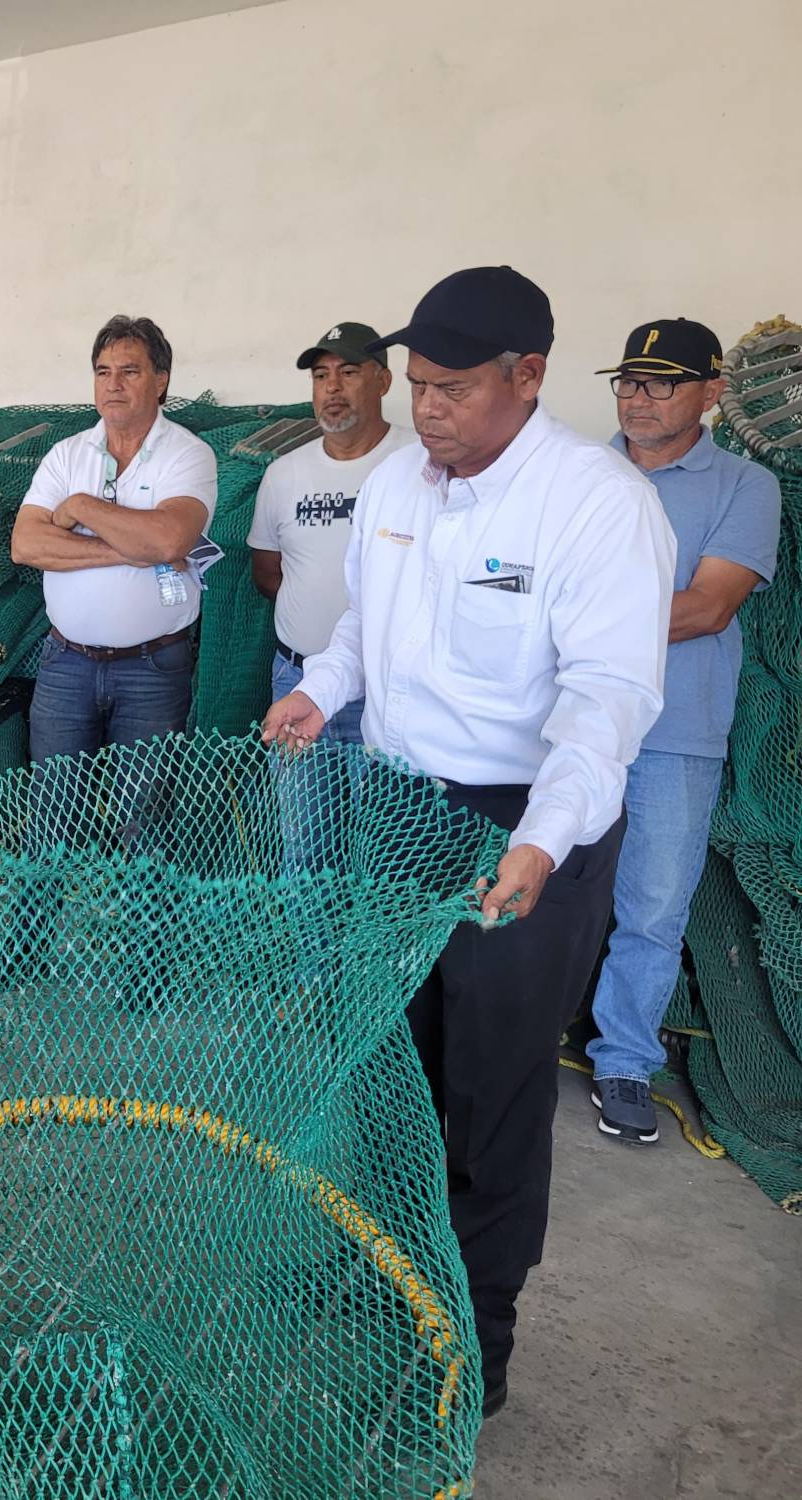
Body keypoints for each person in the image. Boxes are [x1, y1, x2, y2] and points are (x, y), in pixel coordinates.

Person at [261, 266, 674, 1418]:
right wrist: (322, 689)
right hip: (397, 812)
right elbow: (360, 625)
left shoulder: (595, 506)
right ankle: (372, 1272)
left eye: (446, 388)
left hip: (524, 827)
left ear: (525, 377)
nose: (422, 407)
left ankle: (468, 1344)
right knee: (388, 1067)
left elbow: (605, 701)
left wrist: (541, 841)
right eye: (414, 384)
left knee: (490, 1094)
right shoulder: (402, 480)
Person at [585, 319, 780, 1142]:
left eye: (661, 382)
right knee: (531, 881)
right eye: (628, 381)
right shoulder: (578, 473)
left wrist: (573, 627)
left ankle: (624, 1061)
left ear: (713, 393)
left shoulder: (744, 486)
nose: (637, 398)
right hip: (570, 721)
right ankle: (515, 1038)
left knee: (653, 906)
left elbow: (709, 607)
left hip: (674, 730)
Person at [10, 315, 217, 766]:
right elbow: (26, 544)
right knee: (55, 807)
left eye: (130, 371)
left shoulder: (188, 454)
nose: (113, 384)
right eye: (103, 372)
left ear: (160, 382)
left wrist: (81, 507)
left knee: (144, 816)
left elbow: (168, 540)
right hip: (66, 662)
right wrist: (126, 551)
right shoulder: (66, 455)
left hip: (154, 669)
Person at [247, 323, 414, 743]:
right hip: (296, 679)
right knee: (300, 812)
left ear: (384, 380)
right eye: (321, 376)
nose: (332, 388)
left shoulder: (419, 462)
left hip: (387, 686)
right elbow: (268, 573)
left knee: (384, 810)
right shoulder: (283, 474)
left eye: (350, 372)